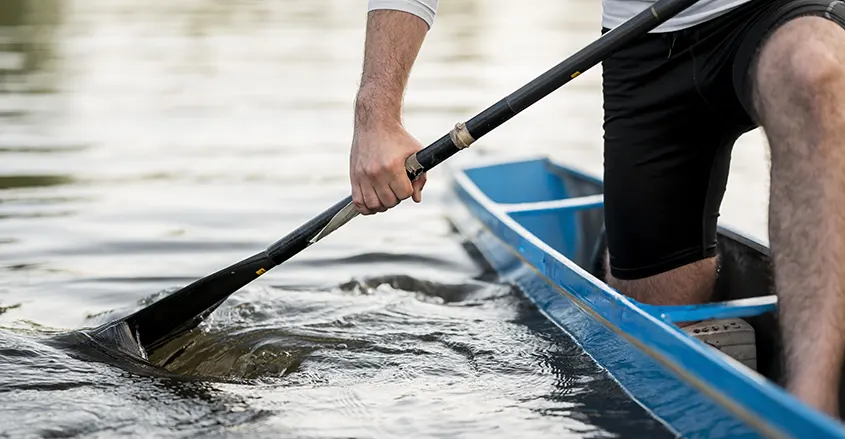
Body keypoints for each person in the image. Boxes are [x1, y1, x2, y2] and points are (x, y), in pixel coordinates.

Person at [348, 0, 845, 417]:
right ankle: (616, 251)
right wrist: (376, 116)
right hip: (646, 41)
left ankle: (813, 405)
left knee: (813, 68)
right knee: (652, 319)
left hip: (781, 11)